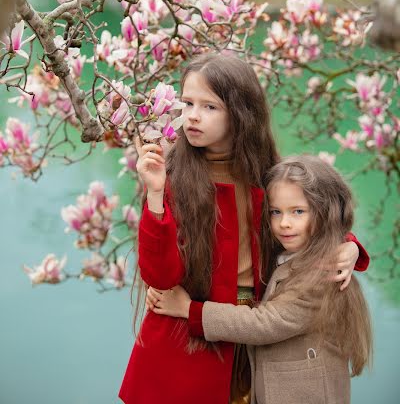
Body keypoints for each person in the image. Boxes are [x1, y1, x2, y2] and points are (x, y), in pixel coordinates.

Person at [119, 53, 369, 404]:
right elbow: (160, 277)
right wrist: (156, 194)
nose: (192, 115)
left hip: (254, 333)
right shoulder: (172, 176)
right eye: (187, 103)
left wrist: (349, 245)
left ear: (240, 112)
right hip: (187, 336)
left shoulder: (266, 174)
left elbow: (308, 217)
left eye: (209, 107)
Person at [147, 154, 373, 404]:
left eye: (298, 211)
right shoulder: (294, 252)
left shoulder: (324, 274)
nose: (284, 223)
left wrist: (190, 310)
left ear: (326, 212)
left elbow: (265, 323)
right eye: (276, 212)